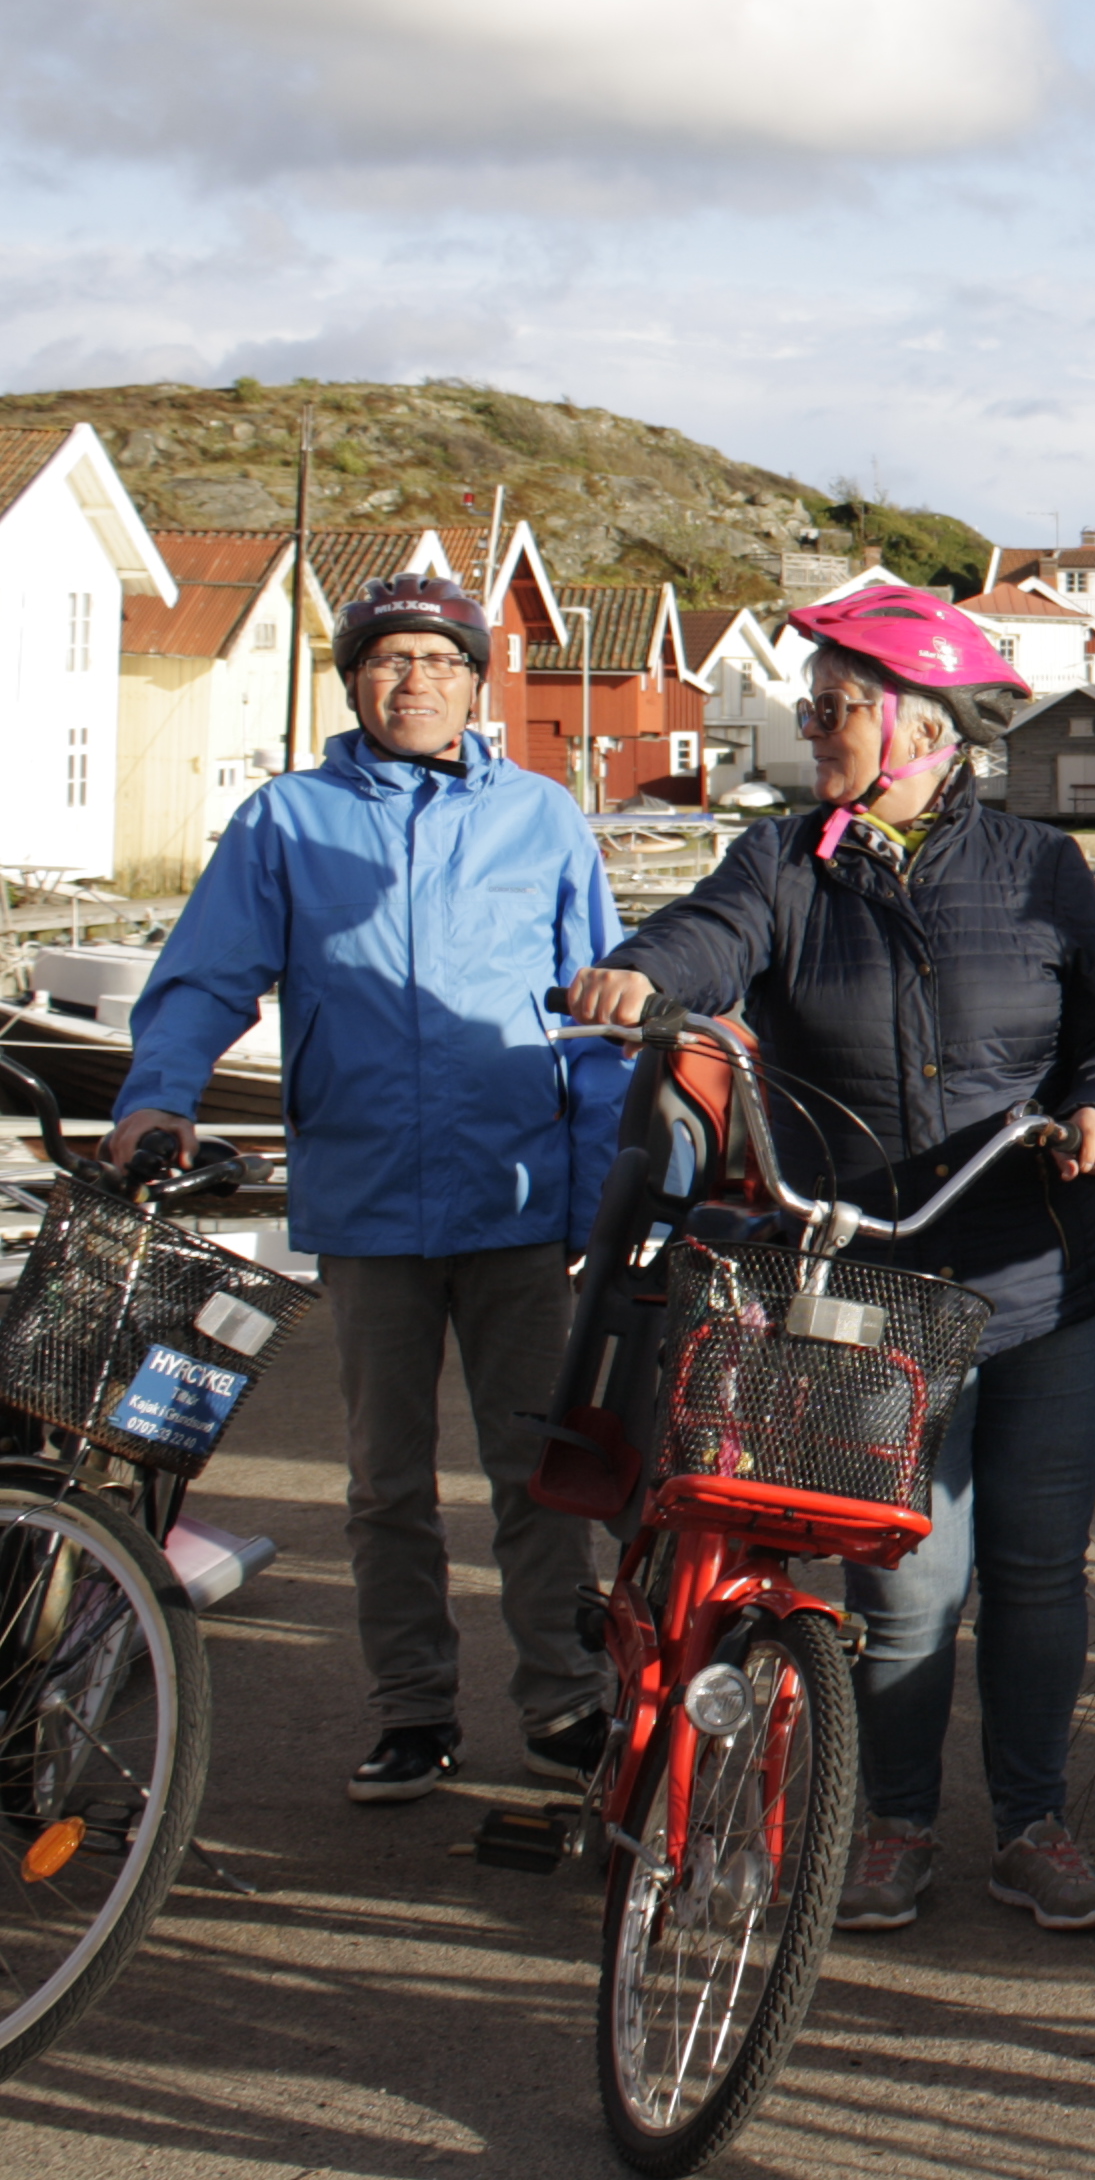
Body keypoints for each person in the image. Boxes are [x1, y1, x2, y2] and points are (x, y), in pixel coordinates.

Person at [565, 586, 1095, 1935]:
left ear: (919, 729)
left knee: (1032, 1568)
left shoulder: (1036, 869)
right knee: (905, 1575)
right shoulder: (783, 863)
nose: (812, 724)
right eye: (813, 703)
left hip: (1042, 1275)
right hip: (870, 1290)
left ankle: (1033, 1824)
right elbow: (703, 942)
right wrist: (639, 976)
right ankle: (892, 1823)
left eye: (836, 706)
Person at [112, 572, 626, 1804]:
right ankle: (411, 1712)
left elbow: (604, 1014)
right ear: (352, 681)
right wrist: (157, 1093)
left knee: (535, 1471)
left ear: (474, 681)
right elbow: (205, 973)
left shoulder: (544, 818)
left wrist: (604, 1189)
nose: (413, 681)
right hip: (367, 1201)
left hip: (516, 1200)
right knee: (385, 1479)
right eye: (388, 660)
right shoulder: (288, 819)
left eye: (439, 662)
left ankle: (561, 1699)